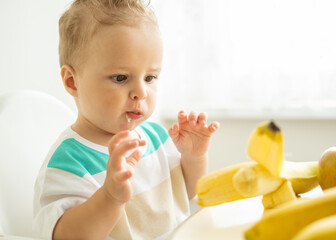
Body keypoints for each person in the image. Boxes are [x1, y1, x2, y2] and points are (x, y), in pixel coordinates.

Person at [33, 0, 219, 239]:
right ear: (72, 81)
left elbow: (186, 193)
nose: (141, 92)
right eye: (121, 77)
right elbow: (67, 235)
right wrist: (109, 197)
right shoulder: (68, 164)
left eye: (150, 77)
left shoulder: (157, 138)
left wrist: (194, 158)